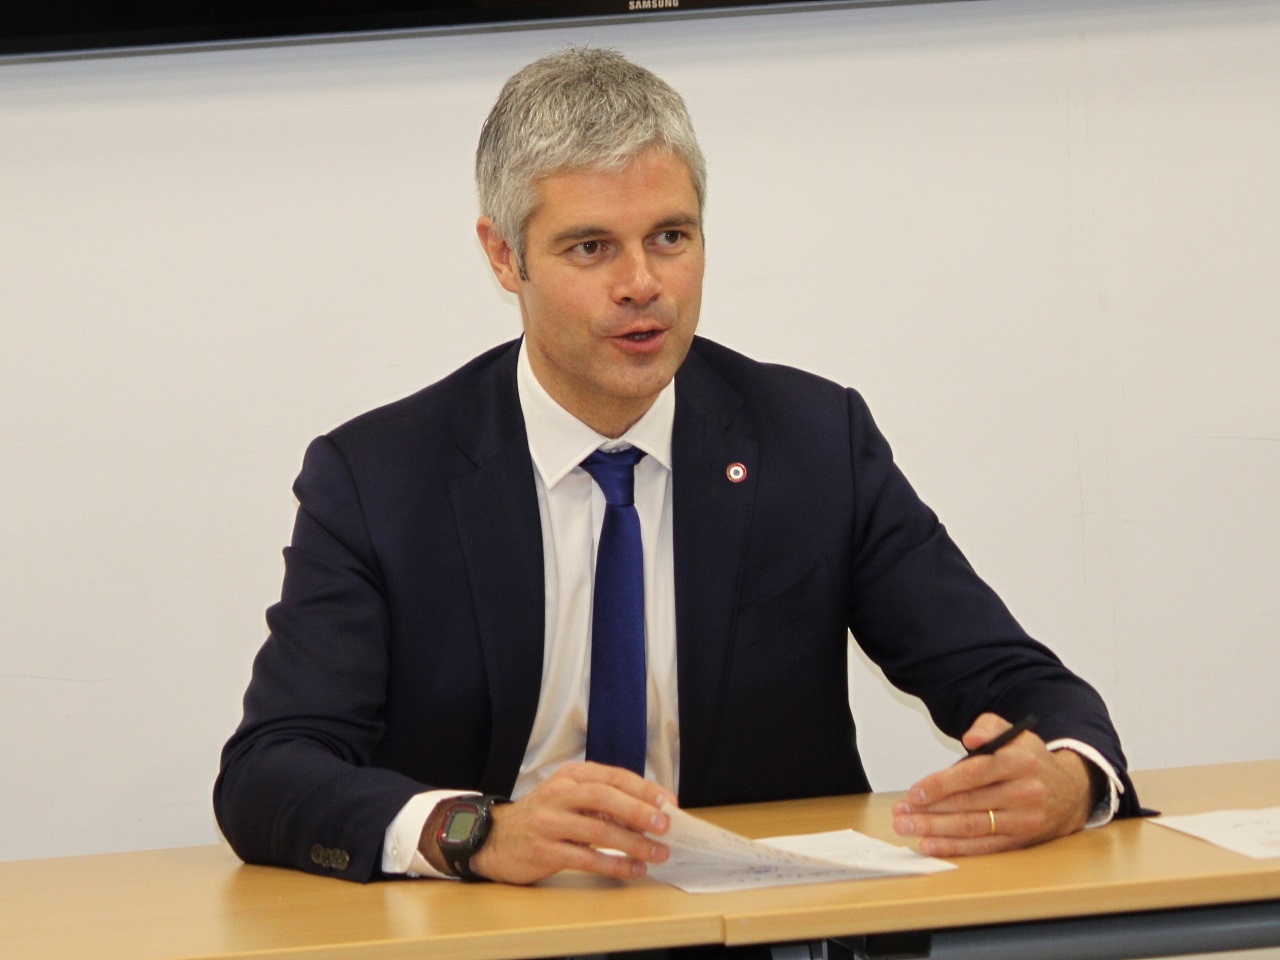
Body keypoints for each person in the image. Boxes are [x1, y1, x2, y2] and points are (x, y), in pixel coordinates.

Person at [214, 47, 1140, 887]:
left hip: (756, 934)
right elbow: (271, 770)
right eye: (590, 247)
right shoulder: (380, 478)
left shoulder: (814, 442)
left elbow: (1022, 685)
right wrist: (473, 832)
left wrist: (1068, 776)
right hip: (496, 932)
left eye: (670, 236)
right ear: (505, 256)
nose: (642, 285)